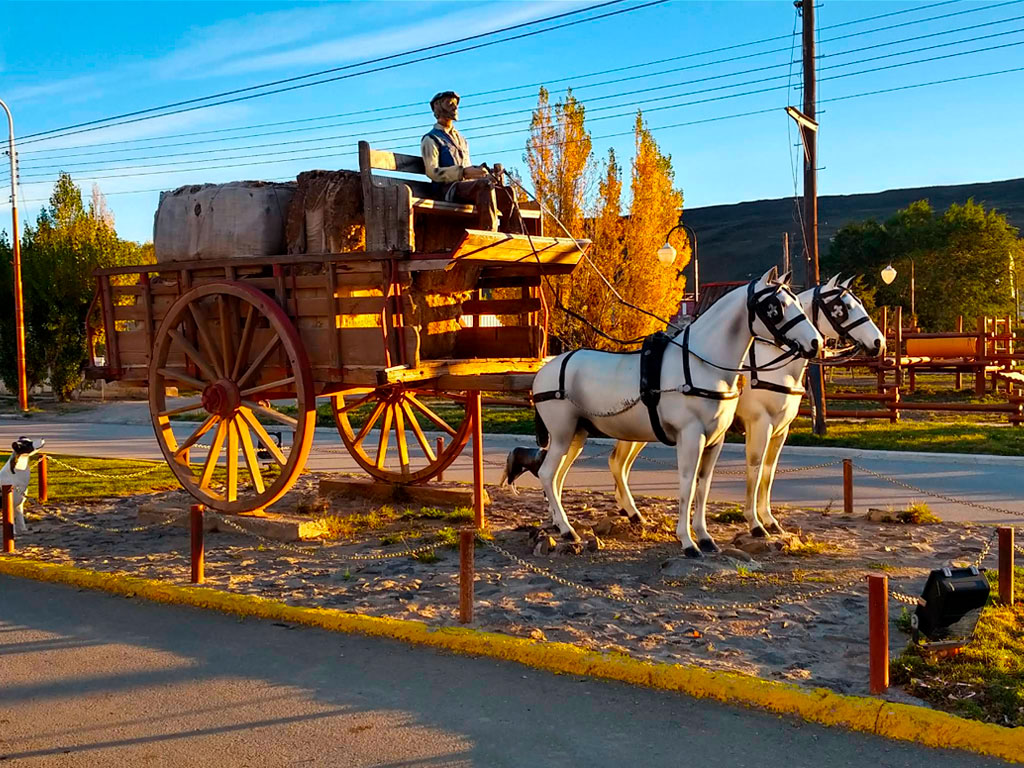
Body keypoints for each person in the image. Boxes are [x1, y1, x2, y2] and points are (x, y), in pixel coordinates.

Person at [420, 90, 520, 233]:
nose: (455, 108)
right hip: (448, 190)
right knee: (484, 186)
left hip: (467, 188)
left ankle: (512, 234)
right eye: (450, 104)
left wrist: (486, 174)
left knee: (508, 192)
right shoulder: (430, 139)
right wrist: (464, 172)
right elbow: (432, 172)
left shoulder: (462, 140)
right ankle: (489, 234)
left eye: (456, 104)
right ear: (438, 107)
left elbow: (469, 168)